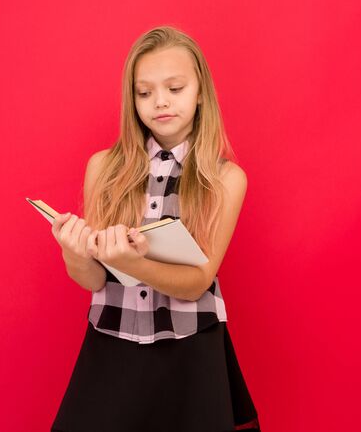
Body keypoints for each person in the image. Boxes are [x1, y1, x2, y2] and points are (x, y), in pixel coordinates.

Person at [49, 25, 261, 432]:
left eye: (175, 88)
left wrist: (134, 261)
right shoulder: (104, 167)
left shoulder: (226, 178)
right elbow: (93, 279)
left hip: (191, 350)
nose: (159, 102)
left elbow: (198, 281)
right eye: (144, 93)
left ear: (201, 93)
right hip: (112, 339)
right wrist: (74, 252)